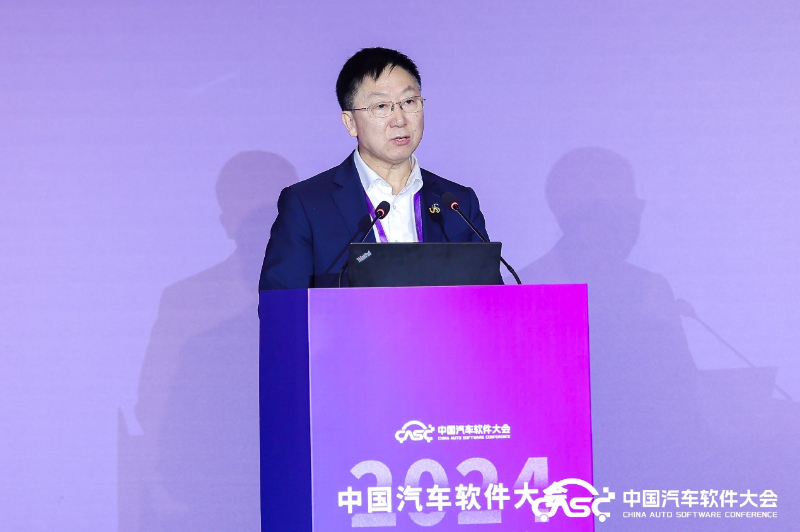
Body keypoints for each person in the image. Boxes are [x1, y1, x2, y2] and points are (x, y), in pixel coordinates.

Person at [259, 47, 491, 290]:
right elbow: (281, 305)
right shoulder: (307, 206)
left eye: (409, 102)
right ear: (350, 122)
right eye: (381, 106)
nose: (399, 119)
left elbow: (491, 300)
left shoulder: (458, 204)